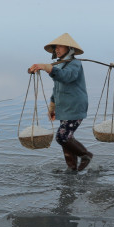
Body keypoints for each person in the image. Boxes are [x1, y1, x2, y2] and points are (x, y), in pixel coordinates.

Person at [28, 33, 93, 172]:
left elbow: (67, 77)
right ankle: (72, 168)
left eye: (59, 47)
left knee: (61, 137)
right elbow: (57, 88)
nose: (56, 50)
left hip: (75, 105)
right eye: (55, 47)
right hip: (64, 106)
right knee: (67, 138)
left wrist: (47, 68)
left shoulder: (75, 64)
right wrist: (52, 106)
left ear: (69, 48)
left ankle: (86, 155)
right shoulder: (60, 64)